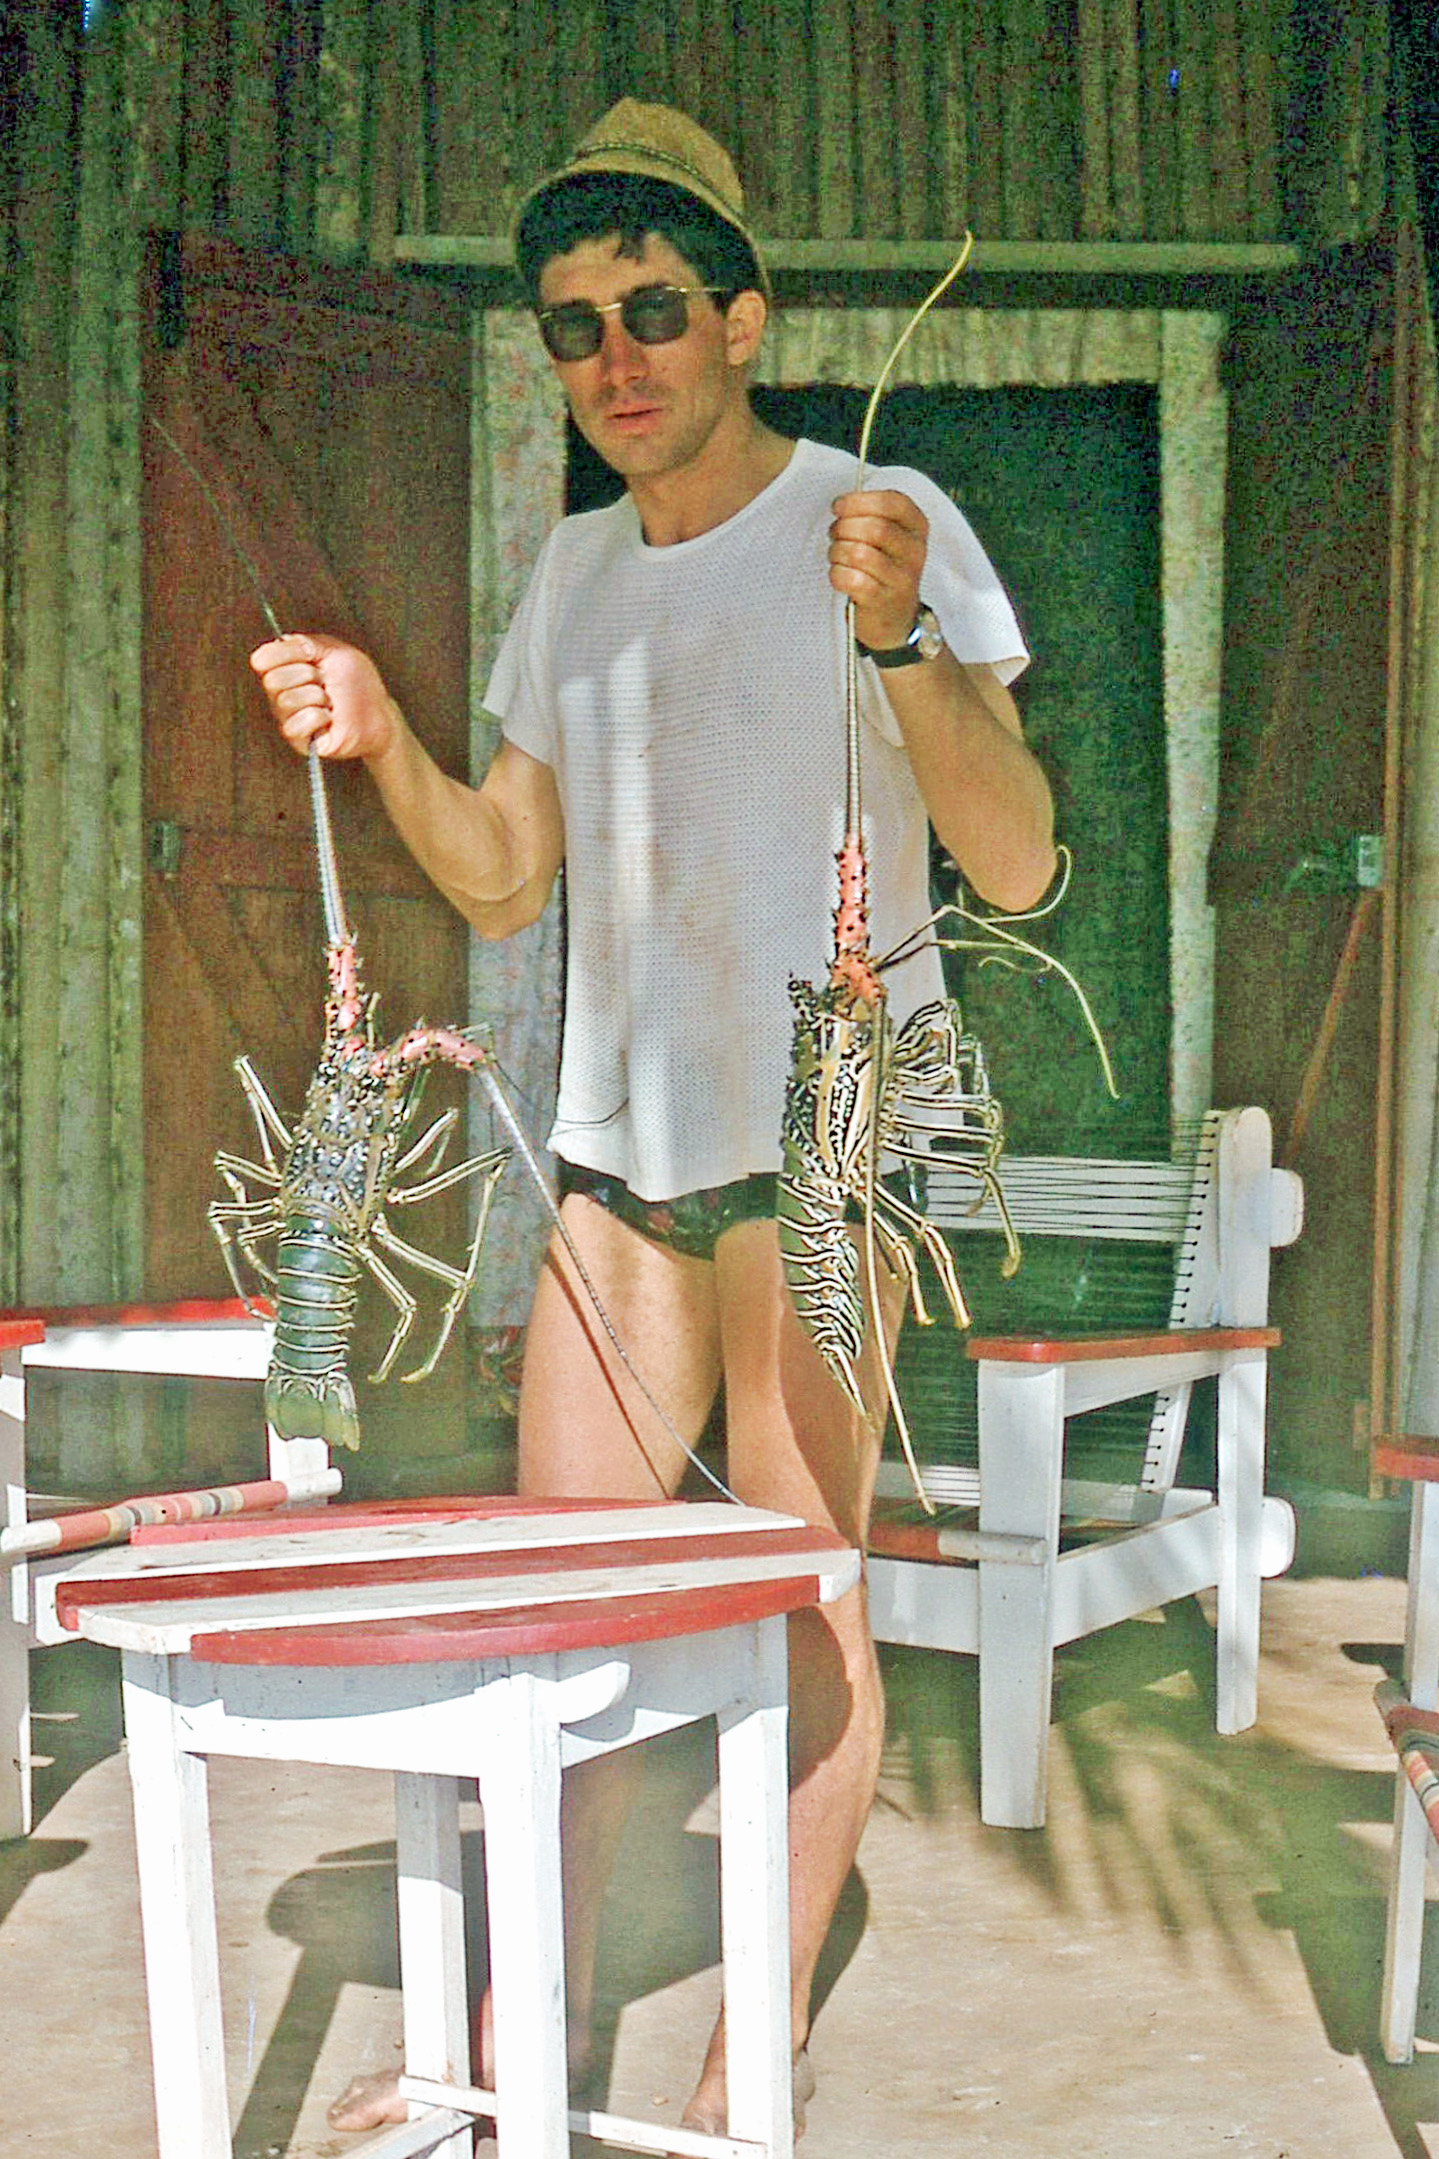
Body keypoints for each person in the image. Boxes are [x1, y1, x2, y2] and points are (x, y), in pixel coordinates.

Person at [251, 97, 1056, 2140]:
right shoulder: (576, 570)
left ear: (746, 320)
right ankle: (524, 2048)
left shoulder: (882, 511)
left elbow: (1024, 860)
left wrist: (902, 648)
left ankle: (750, 2050)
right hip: (615, 1151)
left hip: (818, 1144)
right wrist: (381, 734)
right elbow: (509, 872)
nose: (616, 359)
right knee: (569, 1618)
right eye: (574, 324)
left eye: (657, 311)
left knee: (798, 1604)